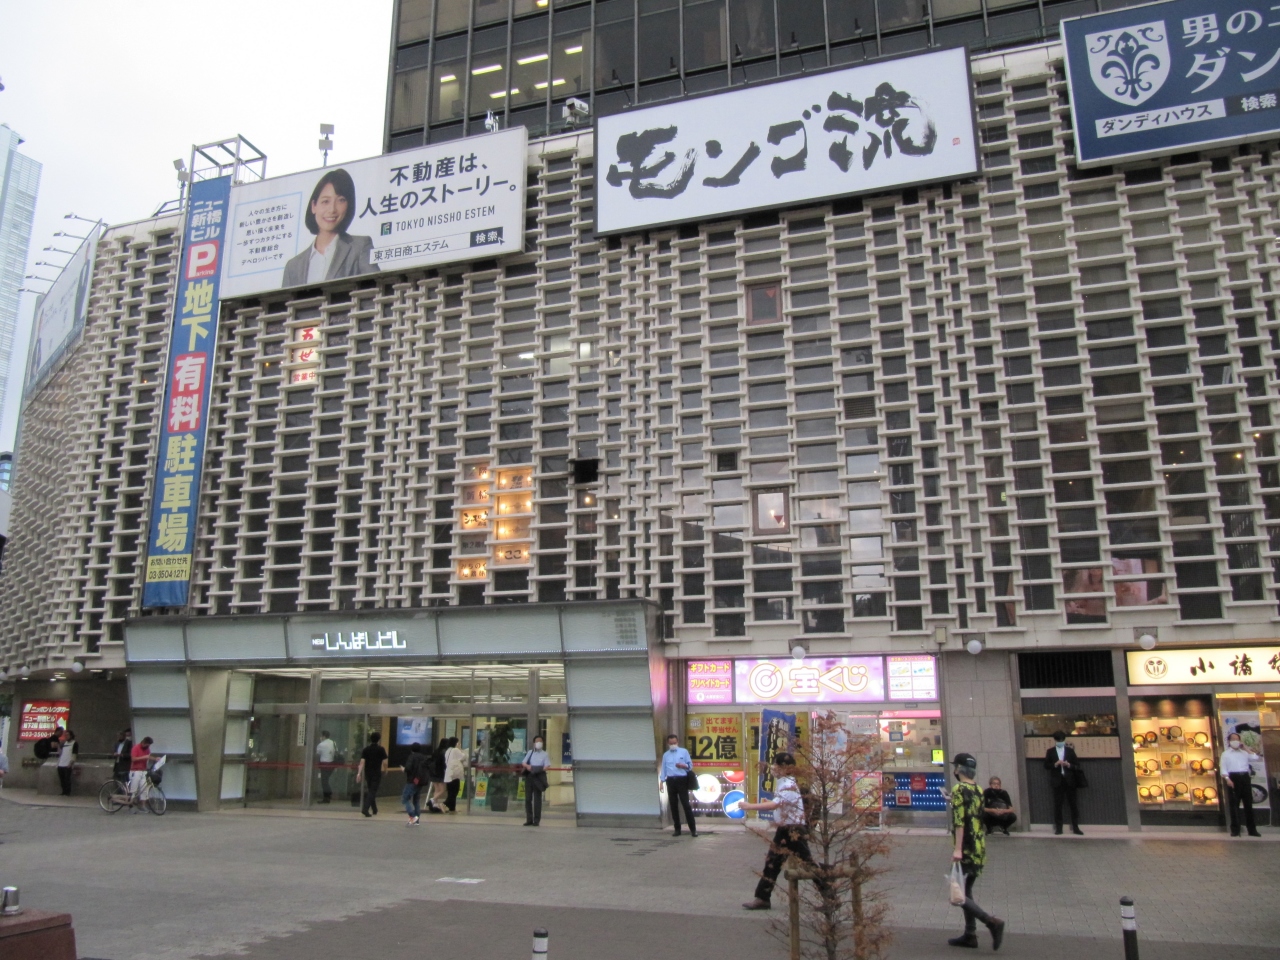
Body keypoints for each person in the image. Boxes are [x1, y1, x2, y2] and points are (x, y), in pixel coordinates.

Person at [280, 168, 379, 288]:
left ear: (348, 205)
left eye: (341, 200)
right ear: (314, 206)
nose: (332, 209)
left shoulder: (360, 247)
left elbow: (376, 289)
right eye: (325, 201)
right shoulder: (293, 266)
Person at [739, 752, 812, 910]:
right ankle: (762, 898)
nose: (773, 768)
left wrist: (749, 806)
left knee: (809, 864)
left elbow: (774, 804)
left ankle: (829, 894)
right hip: (785, 829)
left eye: (776, 765)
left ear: (784, 768)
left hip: (793, 830)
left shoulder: (789, 785)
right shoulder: (784, 782)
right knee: (772, 863)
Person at [948, 752, 1005, 950]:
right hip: (978, 843)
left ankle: (991, 922)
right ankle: (970, 934)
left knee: (957, 890)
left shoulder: (958, 789)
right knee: (966, 889)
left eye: (955, 767)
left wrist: (957, 849)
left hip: (965, 846)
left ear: (959, 769)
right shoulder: (979, 789)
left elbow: (959, 821)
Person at [1220, 731, 1263, 838]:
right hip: (1233, 778)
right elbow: (1223, 768)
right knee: (1234, 805)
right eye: (1233, 739)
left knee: (1248, 804)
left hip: (1245, 777)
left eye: (1237, 739)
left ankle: (1252, 830)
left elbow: (1255, 758)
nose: (1235, 741)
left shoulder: (1244, 753)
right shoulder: (1225, 754)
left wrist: (1246, 748)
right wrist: (1227, 779)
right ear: (1229, 741)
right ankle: (1235, 830)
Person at [1043, 731, 1084, 835]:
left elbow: (1077, 765)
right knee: (1058, 805)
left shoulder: (1070, 751)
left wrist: (1068, 765)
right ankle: (1059, 828)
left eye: (1061, 740)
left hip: (1070, 780)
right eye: (1058, 740)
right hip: (1057, 781)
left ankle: (1075, 827)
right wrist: (1055, 764)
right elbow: (1046, 765)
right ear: (1055, 740)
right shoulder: (1050, 751)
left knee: (1073, 804)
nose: (1060, 742)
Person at [658, 733, 697, 838]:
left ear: (677, 742)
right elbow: (664, 769)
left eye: (674, 743)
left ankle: (693, 830)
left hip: (682, 780)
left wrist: (683, 766)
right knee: (673, 805)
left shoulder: (684, 752)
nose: (673, 745)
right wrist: (661, 782)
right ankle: (677, 829)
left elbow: (690, 766)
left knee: (686, 804)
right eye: (671, 743)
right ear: (668, 743)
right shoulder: (666, 755)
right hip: (671, 780)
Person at [519, 735, 550, 826]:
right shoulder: (530, 752)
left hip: (538, 777)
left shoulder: (545, 754)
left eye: (540, 741)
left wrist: (539, 769)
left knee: (537, 799)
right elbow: (523, 762)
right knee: (528, 799)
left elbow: (547, 766)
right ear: (534, 743)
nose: (539, 743)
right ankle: (529, 819)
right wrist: (527, 766)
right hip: (529, 776)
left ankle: (536, 820)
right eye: (537, 741)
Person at [357, 731, 388, 818]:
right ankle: (365, 808)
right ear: (379, 740)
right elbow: (385, 762)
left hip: (368, 773)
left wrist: (359, 773)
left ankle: (374, 809)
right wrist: (385, 770)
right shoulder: (381, 749)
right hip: (376, 773)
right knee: (373, 791)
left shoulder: (366, 749)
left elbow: (362, 762)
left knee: (371, 789)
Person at [401, 742, 428, 825]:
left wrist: (404, 769)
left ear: (412, 749)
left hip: (412, 780)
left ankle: (413, 816)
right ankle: (417, 820)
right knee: (416, 800)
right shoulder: (424, 757)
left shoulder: (412, 757)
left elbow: (408, 768)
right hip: (420, 781)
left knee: (405, 799)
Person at [426, 738, 449, 814]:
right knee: (442, 790)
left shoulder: (436, 751)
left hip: (433, 772)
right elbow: (444, 764)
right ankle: (432, 800)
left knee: (437, 789)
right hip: (440, 773)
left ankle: (434, 805)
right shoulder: (444, 752)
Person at [444, 736, 467, 813]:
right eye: (458, 742)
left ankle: (452, 808)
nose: (459, 744)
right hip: (455, 774)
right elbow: (463, 757)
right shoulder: (455, 750)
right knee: (455, 791)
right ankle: (444, 804)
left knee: (450, 791)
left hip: (448, 773)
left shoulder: (447, 750)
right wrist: (460, 749)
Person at [315, 730, 337, 804]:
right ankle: (327, 796)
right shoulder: (333, 743)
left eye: (321, 736)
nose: (320, 737)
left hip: (324, 764)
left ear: (323, 736)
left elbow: (318, 754)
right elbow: (335, 752)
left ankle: (327, 795)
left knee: (324, 782)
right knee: (326, 781)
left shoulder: (321, 745)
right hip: (332, 764)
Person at [56, 730, 78, 796]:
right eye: (65, 735)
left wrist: (71, 763)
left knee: (67, 779)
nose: (66, 736)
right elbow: (61, 753)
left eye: (68, 735)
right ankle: (64, 791)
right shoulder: (64, 743)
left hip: (68, 764)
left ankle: (68, 792)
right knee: (62, 779)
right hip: (61, 764)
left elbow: (74, 754)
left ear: (71, 735)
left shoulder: (74, 743)